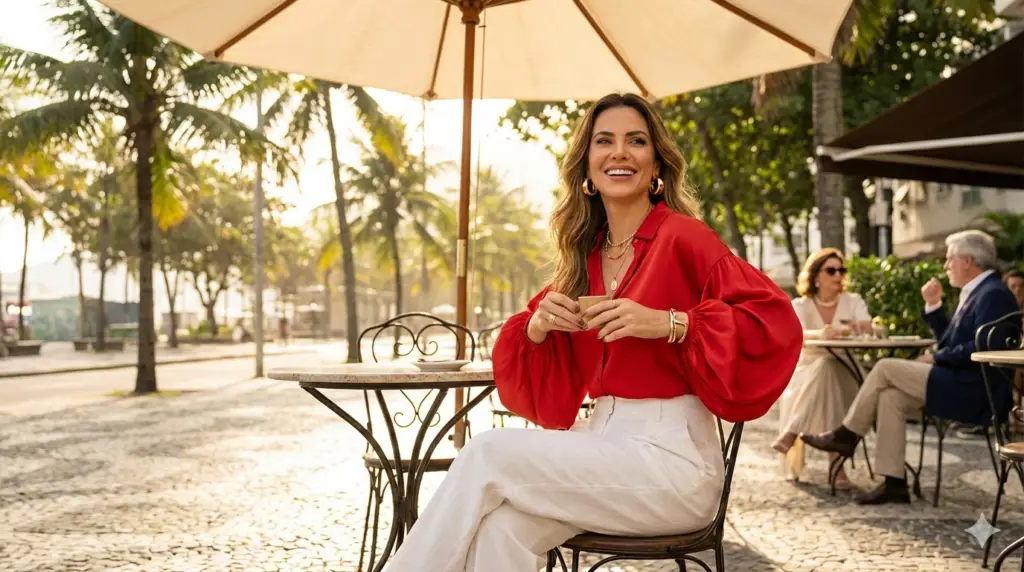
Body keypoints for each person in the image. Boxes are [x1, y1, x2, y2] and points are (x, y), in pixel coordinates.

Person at [384, 93, 803, 572]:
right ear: (586, 167)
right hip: (600, 445)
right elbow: (535, 386)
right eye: (605, 141)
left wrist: (672, 323)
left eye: (636, 141)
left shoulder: (684, 237)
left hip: (673, 461)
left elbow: (774, 321)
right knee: (502, 532)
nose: (620, 152)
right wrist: (539, 327)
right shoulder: (586, 258)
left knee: (486, 451)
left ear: (656, 164)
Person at [801, 230, 1019, 505]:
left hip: (975, 392)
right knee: (890, 397)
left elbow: (985, 348)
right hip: (958, 383)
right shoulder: (979, 292)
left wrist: (935, 359)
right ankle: (894, 483)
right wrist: (934, 307)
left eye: (949, 259)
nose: (945, 265)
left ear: (967, 261)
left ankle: (846, 435)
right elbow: (950, 342)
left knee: (885, 367)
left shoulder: (994, 294)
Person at [773, 248, 872, 488]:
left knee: (830, 369)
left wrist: (854, 328)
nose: (838, 275)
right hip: (808, 373)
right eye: (831, 270)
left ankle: (792, 430)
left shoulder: (853, 301)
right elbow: (793, 333)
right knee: (826, 371)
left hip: (847, 370)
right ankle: (837, 472)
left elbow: (869, 326)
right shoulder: (802, 305)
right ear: (816, 276)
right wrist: (821, 333)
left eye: (841, 270)